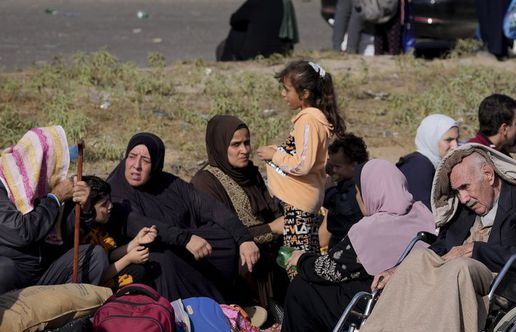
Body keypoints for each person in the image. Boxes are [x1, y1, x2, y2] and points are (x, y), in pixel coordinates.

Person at [309, 145, 516, 332]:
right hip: (461, 274)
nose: (463, 198)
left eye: (466, 188)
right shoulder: (466, 209)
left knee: (459, 266)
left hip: (506, 279)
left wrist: (475, 250)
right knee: (420, 257)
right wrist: (396, 271)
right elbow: (443, 246)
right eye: (457, 191)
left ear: (489, 175)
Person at [273, 159, 436, 332]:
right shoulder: (423, 214)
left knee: (302, 288)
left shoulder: (371, 229)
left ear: (369, 193)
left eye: (359, 192)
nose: (359, 198)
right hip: (413, 301)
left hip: (374, 307)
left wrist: (301, 260)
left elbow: (329, 270)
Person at [107, 132, 260, 302]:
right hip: (142, 250)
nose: (136, 166)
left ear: (156, 164)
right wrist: (185, 239)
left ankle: (225, 302)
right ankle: (189, 312)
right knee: (166, 259)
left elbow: (211, 207)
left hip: (179, 237)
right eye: (132, 157)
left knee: (224, 239)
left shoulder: (168, 183)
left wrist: (243, 238)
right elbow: (136, 224)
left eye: (146, 160)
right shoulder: (116, 188)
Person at [0, 126, 107, 297]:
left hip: (43, 273)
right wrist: (55, 198)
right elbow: (21, 233)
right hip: (8, 274)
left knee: (94, 255)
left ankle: (74, 316)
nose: (54, 174)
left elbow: (65, 236)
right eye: (51, 167)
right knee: (2, 269)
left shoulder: (38, 189)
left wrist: (84, 209)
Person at [191, 115, 288, 315]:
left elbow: (272, 211)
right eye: (236, 145)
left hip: (268, 251)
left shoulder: (250, 173)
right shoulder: (206, 182)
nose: (244, 150)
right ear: (219, 145)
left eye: (247, 143)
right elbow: (222, 235)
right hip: (236, 261)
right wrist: (271, 229)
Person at [257, 60, 346, 255]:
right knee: (304, 255)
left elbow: (303, 164)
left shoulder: (308, 121)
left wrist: (275, 155)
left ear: (304, 93)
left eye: (287, 90)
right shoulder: (313, 119)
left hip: (299, 205)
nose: (283, 95)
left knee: (296, 261)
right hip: (301, 202)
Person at [72, 175, 158, 289]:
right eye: (104, 204)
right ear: (88, 207)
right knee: (137, 272)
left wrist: (136, 241)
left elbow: (109, 256)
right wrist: (128, 259)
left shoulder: (99, 227)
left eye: (109, 200)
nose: (110, 206)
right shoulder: (84, 237)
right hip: (94, 286)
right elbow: (100, 275)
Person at [397, 114, 459, 210]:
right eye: (449, 140)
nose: (455, 146)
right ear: (431, 139)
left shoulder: (433, 163)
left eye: (457, 139)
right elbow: (425, 212)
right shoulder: (418, 167)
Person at [324, 133, 368, 248]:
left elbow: (344, 208)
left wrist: (329, 191)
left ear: (354, 165)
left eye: (338, 166)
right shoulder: (346, 182)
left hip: (350, 245)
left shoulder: (360, 186)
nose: (334, 170)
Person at [216, 0, 298, 61]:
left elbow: (234, 19)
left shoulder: (255, 2)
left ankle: (226, 60)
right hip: (281, 51)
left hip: (256, 54)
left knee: (236, 30)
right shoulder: (286, 3)